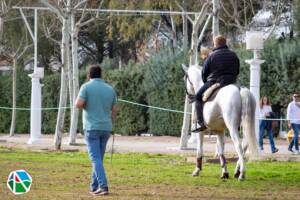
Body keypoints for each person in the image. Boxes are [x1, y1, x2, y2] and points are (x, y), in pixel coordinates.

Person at [76, 65, 117, 196]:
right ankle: (93, 187)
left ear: (89, 75)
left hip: (91, 127)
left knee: (95, 159)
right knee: (98, 159)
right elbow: (115, 110)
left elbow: (78, 104)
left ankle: (103, 186)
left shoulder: (86, 87)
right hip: (106, 128)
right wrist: (111, 120)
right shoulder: (110, 89)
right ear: (101, 75)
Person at [189, 35, 240, 132]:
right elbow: (237, 71)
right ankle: (238, 122)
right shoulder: (234, 55)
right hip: (231, 82)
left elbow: (204, 73)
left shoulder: (212, 55)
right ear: (225, 43)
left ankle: (201, 123)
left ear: (215, 44)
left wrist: (207, 82)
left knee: (198, 96)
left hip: (214, 81)